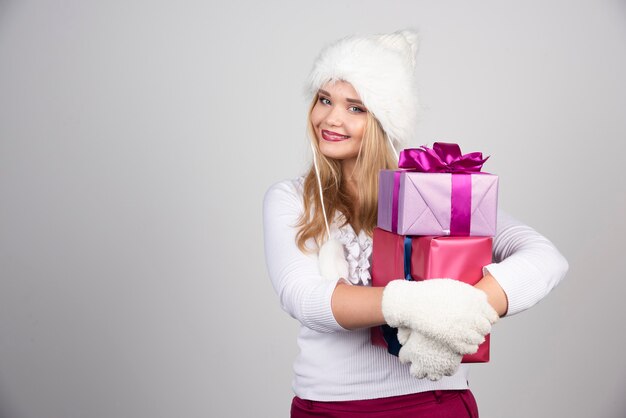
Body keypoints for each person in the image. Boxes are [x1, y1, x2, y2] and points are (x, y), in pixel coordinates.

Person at [263, 30, 568, 417]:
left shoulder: (433, 194)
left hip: (435, 402)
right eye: (325, 99)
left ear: (384, 120)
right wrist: (413, 304)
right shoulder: (291, 198)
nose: (331, 118)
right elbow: (303, 296)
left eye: (356, 107)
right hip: (330, 407)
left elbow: (547, 259)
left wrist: (459, 308)